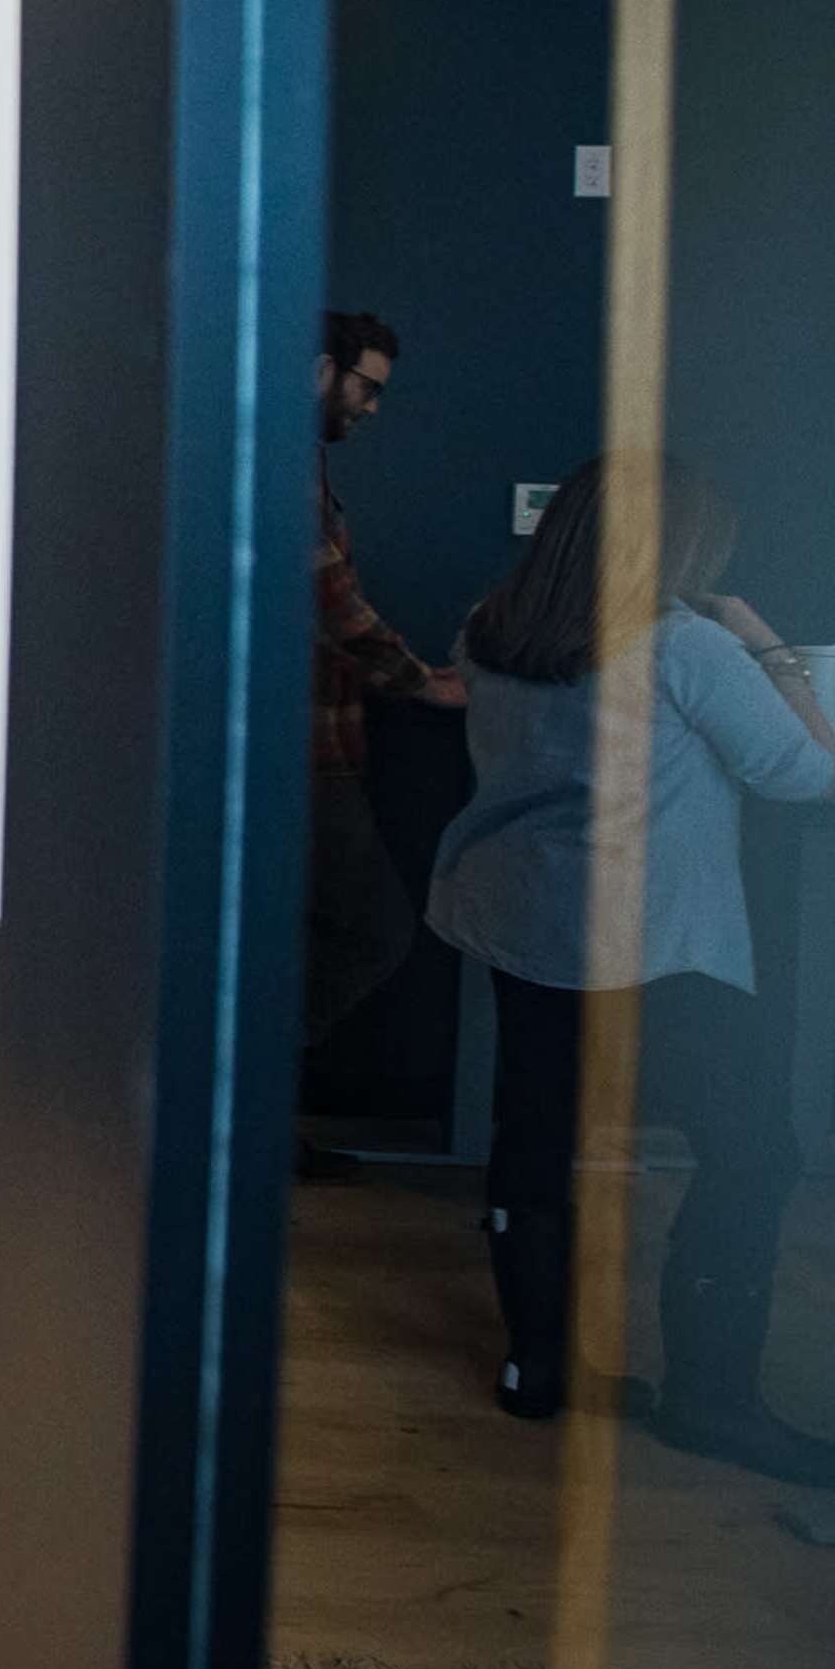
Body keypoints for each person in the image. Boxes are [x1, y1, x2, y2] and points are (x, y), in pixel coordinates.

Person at [427, 454, 835, 1487]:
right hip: (648, 942)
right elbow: (805, 774)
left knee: (534, 1140)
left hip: (525, 924)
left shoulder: (493, 625)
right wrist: (774, 651)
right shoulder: (689, 644)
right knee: (755, 1152)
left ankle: (540, 1370)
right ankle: (713, 1402)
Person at [304, 313, 468, 1093]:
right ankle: (244, 1107)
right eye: (367, 388)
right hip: (303, 757)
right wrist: (423, 682)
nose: (372, 409)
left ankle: (250, 1114)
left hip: (317, 749)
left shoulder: (299, 462)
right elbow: (331, 600)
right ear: (320, 370)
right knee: (373, 930)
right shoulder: (285, 465)